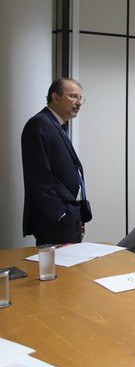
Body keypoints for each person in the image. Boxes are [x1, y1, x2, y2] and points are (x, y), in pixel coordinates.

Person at [21, 78, 91, 245]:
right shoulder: (39, 124)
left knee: (73, 269)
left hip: (70, 214)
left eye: (80, 98)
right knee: (58, 269)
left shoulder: (58, 125)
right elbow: (38, 177)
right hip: (56, 219)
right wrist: (60, 215)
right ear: (56, 97)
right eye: (73, 96)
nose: (79, 102)